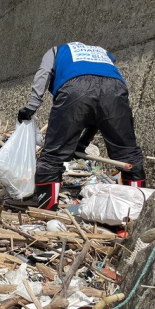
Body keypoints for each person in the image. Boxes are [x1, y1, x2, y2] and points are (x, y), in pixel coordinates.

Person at [18, 41, 145, 211]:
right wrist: (82, 144)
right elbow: (97, 113)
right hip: (115, 90)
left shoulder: (55, 51)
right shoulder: (102, 51)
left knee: (53, 155)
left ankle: (46, 210)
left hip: (74, 88)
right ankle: (137, 211)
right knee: (128, 155)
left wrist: (30, 107)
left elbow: (43, 74)